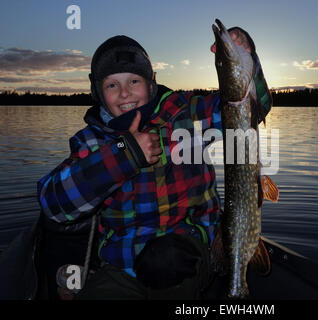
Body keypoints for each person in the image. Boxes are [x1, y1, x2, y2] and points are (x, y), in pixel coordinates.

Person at [37, 26, 272, 300]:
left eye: (134, 82)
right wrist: (124, 154)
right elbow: (54, 205)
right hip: (121, 267)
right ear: (99, 93)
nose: (125, 94)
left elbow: (254, 108)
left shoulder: (187, 116)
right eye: (112, 85)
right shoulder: (91, 142)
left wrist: (248, 60)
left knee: (167, 260)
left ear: (151, 83)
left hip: (188, 257)